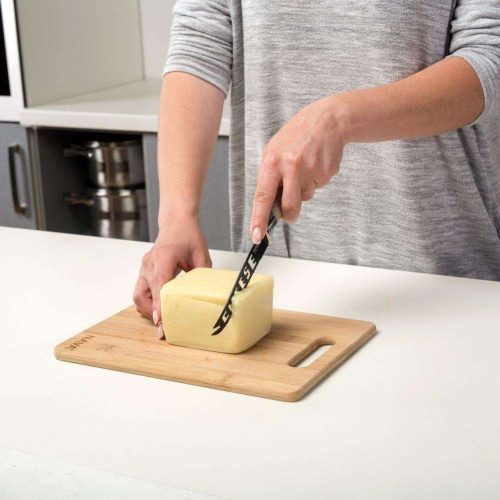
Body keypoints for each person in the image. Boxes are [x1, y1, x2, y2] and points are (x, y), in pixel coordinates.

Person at [134, 0, 500, 338]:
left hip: (444, 289)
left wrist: (339, 119)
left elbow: (489, 53)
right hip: (283, 291)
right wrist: (177, 217)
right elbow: (200, 38)